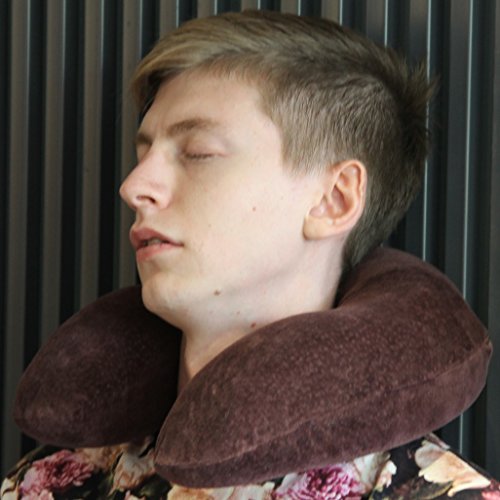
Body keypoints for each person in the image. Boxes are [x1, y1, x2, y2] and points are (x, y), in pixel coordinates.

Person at [2, 10, 498, 499]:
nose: (134, 187)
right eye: (142, 153)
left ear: (334, 199)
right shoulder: (49, 481)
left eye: (198, 152)